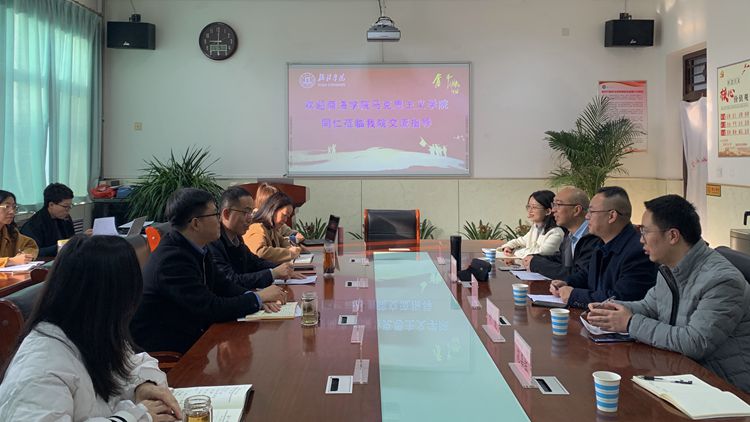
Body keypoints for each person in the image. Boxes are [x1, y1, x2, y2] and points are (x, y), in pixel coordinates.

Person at [0, 235, 182, 421]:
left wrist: (143, 386)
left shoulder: (90, 333)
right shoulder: (41, 366)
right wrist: (134, 418)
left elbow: (131, 363)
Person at [587, 195, 750, 392]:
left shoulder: (722, 281)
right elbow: (650, 307)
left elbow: (695, 342)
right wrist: (612, 309)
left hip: (722, 388)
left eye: (645, 231)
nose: (641, 239)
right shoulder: (669, 269)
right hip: (679, 373)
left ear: (673, 236)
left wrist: (629, 323)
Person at [130, 188, 287, 354]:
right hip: (168, 352)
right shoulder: (172, 260)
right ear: (196, 223)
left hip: (194, 336)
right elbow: (210, 308)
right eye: (214, 214)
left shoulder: (197, 248)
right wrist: (257, 298)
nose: (219, 219)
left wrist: (257, 298)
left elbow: (224, 285)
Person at [550, 186, 656, 308]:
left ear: (611, 216)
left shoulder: (638, 251)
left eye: (592, 212)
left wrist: (574, 295)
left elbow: (620, 299)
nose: (586, 216)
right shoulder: (602, 242)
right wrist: (567, 283)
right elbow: (587, 274)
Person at [208, 186, 304, 289]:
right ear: (227, 214)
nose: (250, 218)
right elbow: (231, 281)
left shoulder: (236, 238)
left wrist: (282, 269)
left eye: (251, 212)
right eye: (246, 212)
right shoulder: (213, 243)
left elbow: (254, 262)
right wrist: (273, 274)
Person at [523, 187, 601, 279]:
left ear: (576, 210)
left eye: (558, 205)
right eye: (553, 205)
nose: (553, 210)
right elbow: (561, 259)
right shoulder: (569, 235)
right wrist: (534, 258)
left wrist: (537, 264)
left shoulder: (593, 237)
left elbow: (580, 275)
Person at [497, 190, 564, 259]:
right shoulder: (536, 227)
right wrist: (508, 247)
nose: (529, 211)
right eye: (529, 206)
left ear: (547, 211)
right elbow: (521, 241)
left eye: (534, 207)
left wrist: (515, 251)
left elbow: (540, 252)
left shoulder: (556, 232)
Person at [244, 192, 303, 264]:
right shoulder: (256, 227)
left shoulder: (271, 229)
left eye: (288, 217)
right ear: (273, 209)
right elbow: (260, 253)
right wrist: (290, 253)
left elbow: (282, 241)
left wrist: (292, 248)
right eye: (284, 215)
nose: (285, 220)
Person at [20, 183, 76, 257]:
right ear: (51, 205)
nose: (68, 210)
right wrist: (62, 245)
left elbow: (70, 239)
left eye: (70, 206)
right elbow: (33, 252)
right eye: (65, 206)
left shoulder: (65, 218)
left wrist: (80, 239)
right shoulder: (34, 225)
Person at [0, 190, 38, 267]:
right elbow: (14, 261)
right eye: (7, 207)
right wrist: (11, 261)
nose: (12, 212)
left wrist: (24, 256)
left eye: (14, 207)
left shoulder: (10, 231)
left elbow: (30, 245)